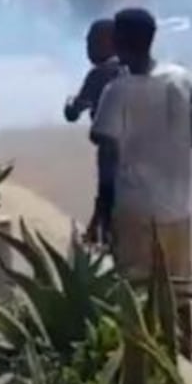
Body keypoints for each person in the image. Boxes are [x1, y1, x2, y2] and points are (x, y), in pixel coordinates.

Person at [91, 7, 192, 358]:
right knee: (179, 290)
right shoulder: (182, 79)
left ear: (117, 41)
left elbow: (107, 155)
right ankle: (182, 357)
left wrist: (101, 211)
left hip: (134, 209)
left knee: (136, 294)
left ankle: (145, 363)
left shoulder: (117, 91)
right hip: (176, 207)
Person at [64, 19, 123, 244]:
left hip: (110, 145)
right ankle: (96, 230)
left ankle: (102, 236)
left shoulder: (100, 74)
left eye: (92, 42)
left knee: (108, 192)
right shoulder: (131, 69)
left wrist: (70, 105)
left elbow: (74, 112)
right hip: (140, 147)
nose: (88, 48)